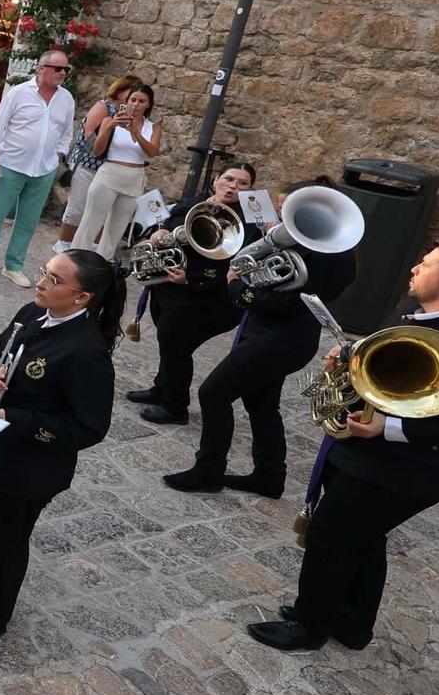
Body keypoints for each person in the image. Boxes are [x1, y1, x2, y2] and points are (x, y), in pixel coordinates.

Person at [246, 237, 439, 652]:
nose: (414, 268)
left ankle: (309, 625)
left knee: (330, 538)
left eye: (426, 264)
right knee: (366, 539)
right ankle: (352, 625)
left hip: (406, 471)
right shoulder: (418, 314)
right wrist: (350, 356)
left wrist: (390, 429)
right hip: (371, 458)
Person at [0, 248, 121, 640]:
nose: (40, 283)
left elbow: (88, 428)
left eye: (55, 280)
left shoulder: (86, 352)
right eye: (44, 272)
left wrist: (16, 420)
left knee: (3, 538)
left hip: (28, 463)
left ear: (82, 298)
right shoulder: (30, 313)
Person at [163, 180, 360, 496]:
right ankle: (269, 476)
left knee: (213, 393)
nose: (281, 213)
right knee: (262, 404)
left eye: (286, 207)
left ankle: (209, 470)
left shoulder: (323, 255)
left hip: (278, 338)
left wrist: (236, 286)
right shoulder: (318, 251)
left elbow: (283, 302)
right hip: (277, 335)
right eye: (282, 206)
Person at [125, 163, 258, 425]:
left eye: (242, 183)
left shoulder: (247, 224)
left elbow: (237, 267)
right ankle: (161, 388)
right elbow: (169, 229)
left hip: (210, 299)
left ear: (249, 191)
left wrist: (192, 278)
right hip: (171, 287)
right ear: (216, 180)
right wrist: (159, 233)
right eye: (229, 179)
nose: (233, 186)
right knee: (169, 340)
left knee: (177, 345)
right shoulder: (193, 203)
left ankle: (176, 406)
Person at [0, 51, 75, 287]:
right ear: (41, 68)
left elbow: (66, 133)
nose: (62, 73)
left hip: (45, 168)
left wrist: (57, 157)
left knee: (28, 220)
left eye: (66, 69)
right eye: (57, 68)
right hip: (12, 164)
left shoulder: (66, 99)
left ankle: (13, 266)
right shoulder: (19, 93)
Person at [69, 84, 162, 258]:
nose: (136, 105)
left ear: (148, 105)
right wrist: (110, 126)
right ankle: (75, 260)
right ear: (126, 102)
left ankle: (102, 265)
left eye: (141, 101)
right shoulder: (109, 120)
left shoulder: (153, 127)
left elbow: (152, 153)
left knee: (116, 229)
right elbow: (96, 150)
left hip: (134, 177)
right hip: (109, 172)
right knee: (90, 222)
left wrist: (137, 132)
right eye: (132, 100)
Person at [55, 75, 140, 251]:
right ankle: (63, 244)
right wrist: (111, 127)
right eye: (130, 92)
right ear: (120, 90)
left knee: (102, 208)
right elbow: (88, 140)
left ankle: (91, 247)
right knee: (78, 206)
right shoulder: (103, 107)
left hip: (110, 169)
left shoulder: (133, 116)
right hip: (88, 164)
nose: (132, 97)